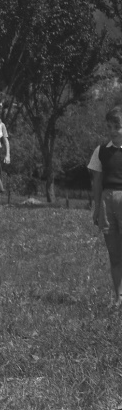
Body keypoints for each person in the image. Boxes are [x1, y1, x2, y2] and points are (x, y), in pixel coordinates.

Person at [88, 106, 122, 309]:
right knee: (115, 254)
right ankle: (118, 298)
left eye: (117, 126)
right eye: (109, 127)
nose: (113, 131)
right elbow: (97, 182)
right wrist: (97, 208)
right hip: (108, 201)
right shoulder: (101, 151)